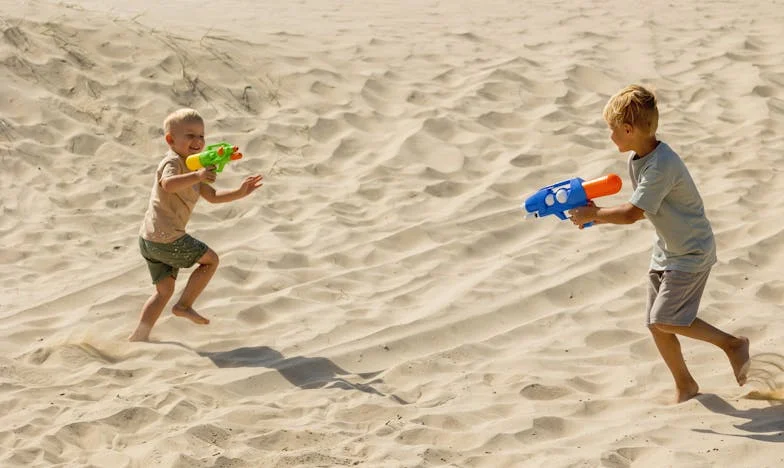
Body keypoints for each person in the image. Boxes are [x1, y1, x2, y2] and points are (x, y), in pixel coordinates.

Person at [568, 85, 750, 403]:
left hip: (691, 251)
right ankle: (685, 384)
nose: (610, 136)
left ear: (628, 129)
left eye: (612, 130)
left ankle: (731, 344)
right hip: (667, 250)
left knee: (665, 319)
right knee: (655, 323)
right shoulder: (640, 158)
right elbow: (639, 211)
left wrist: (595, 212)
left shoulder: (661, 166)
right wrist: (594, 218)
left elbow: (631, 213)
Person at [129, 108, 263, 342]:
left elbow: (212, 196)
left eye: (201, 136)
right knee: (211, 260)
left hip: (151, 240)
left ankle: (138, 337)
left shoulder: (195, 166)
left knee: (163, 292)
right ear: (171, 140)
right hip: (166, 237)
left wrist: (240, 192)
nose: (198, 141)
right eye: (190, 135)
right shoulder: (172, 162)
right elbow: (168, 184)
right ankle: (184, 305)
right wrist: (198, 176)